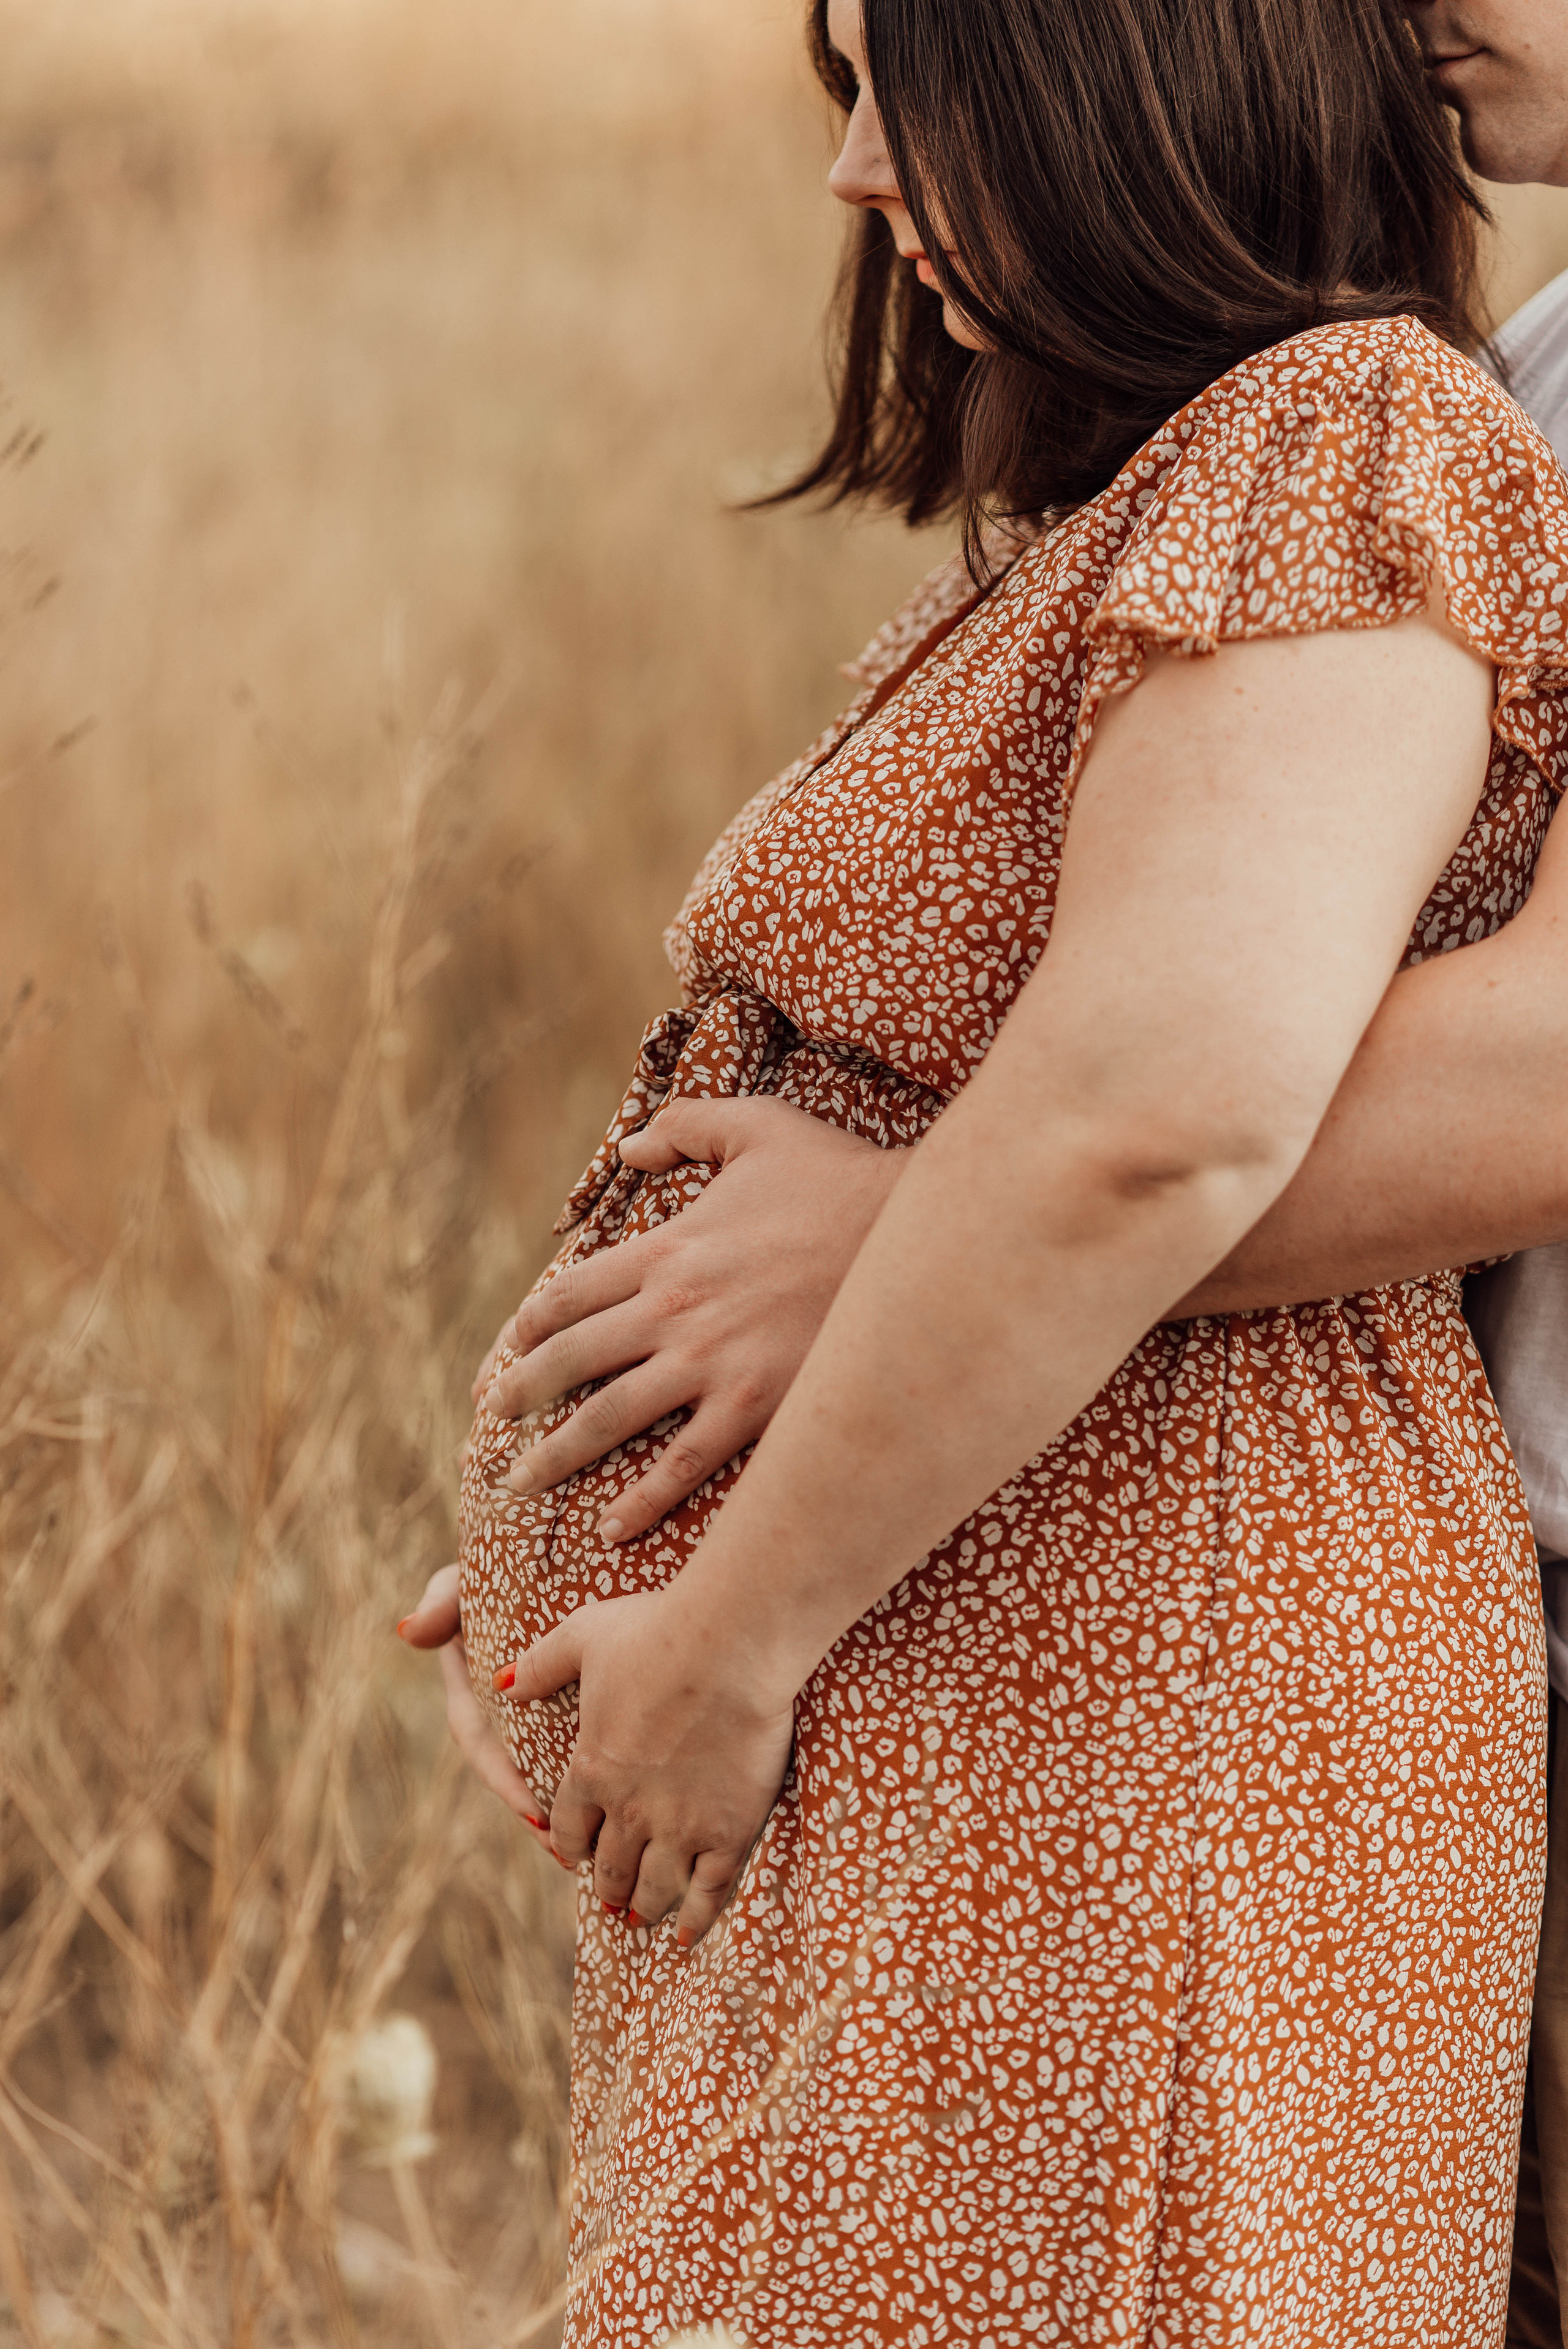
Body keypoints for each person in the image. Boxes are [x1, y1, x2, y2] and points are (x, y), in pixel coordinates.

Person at [408, 0, 1568, 2337]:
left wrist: (736, 1618)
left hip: (1151, 1687)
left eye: (907, 79)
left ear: (1110, 68)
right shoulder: (1426, 394)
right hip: (1018, 1664)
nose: (859, 176)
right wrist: (621, 1484)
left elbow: (1166, 1109)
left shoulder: (1349, 435)